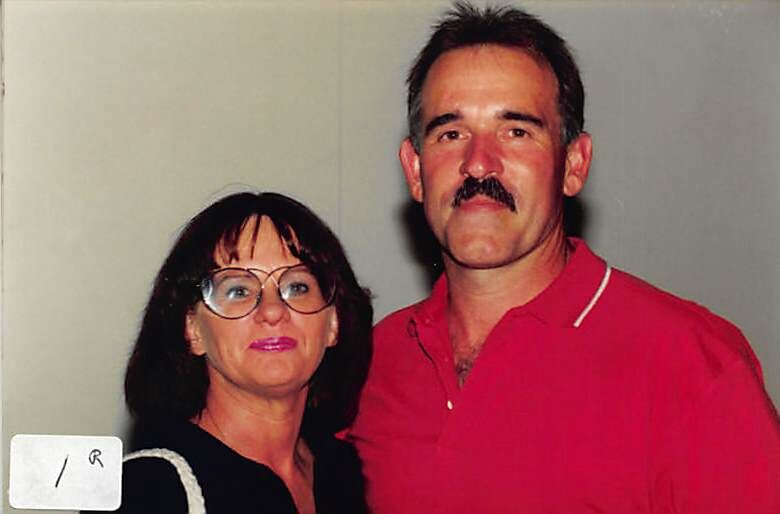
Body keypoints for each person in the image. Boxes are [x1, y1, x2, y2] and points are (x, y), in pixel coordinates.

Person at [348, 3, 780, 513]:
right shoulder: (365, 367)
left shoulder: (694, 366)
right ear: (415, 171)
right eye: (451, 133)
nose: (478, 163)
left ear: (574, 164)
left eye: (516, 131)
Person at [116, 192, 371, 513]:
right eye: (239, 291)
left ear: (333, 323)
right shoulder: (147, 491)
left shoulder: (342, 472)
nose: (273, 311)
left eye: (297, 287)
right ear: (192, 330)